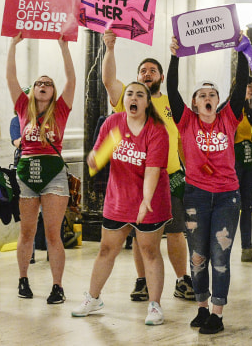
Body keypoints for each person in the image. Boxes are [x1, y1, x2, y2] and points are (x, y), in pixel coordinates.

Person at [101, 29, 193, 302]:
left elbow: (181, 140)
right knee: (141, 236)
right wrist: (109, 48)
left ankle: (181, 280)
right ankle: (142, 281)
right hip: (135, 180)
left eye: (153, 70)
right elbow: (108, 81)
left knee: (176, 232)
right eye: (143, 70)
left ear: (161, 77)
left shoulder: (170, 103)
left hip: (171, 176)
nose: (147, 73)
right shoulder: (129, 100)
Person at [167, 35, 248, 334]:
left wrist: (241, 51)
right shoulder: (185, 121)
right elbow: (171, 90)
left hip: (227, 196)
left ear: (218, 100)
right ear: (194, 103)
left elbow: (240, 86)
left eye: (212, 94)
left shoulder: (228, 118)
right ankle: (201, 308)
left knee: (220, 256)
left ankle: (217, 313)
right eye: (202, 95)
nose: (207, 98)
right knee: (198, 256)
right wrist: (175, 56)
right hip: (196, 196)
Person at [72, 82, 171, 325]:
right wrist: (93, 159)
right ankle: (93, 298)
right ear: (124, 101)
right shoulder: (112, 124)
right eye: (130, 94)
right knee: (106, 249)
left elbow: (152, 170)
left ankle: (155, 305)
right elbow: (97, 157)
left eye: (140, 94)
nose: (134, 98)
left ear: (147, 102)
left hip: (150, 201)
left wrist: (146, 200)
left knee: (149, 250)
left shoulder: (157, 130)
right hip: (118, 199)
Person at [6, 33, 75, 304]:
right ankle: (23, 279)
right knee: (27, 231)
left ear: (53, 91)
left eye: (48, 83)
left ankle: (57, 286)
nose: (44, 85)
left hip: (53, 173)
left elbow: (72, 79)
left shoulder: (61, 109)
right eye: (39, 83)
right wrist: (12, 45)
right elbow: (11, 78)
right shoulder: (23, 107)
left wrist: (63, 47)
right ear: (32, 90)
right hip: (26, 171)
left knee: (52, 233)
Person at [220, 77, 252, 262]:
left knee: (247, 207)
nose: (251, 89)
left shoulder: (248, 110)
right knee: (230, 208)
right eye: (248, 85)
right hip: (233, 164)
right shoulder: (227, 108)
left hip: (249, 163)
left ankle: (247, 249)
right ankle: (221, 251)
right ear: (237, 86)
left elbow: (251, 135)